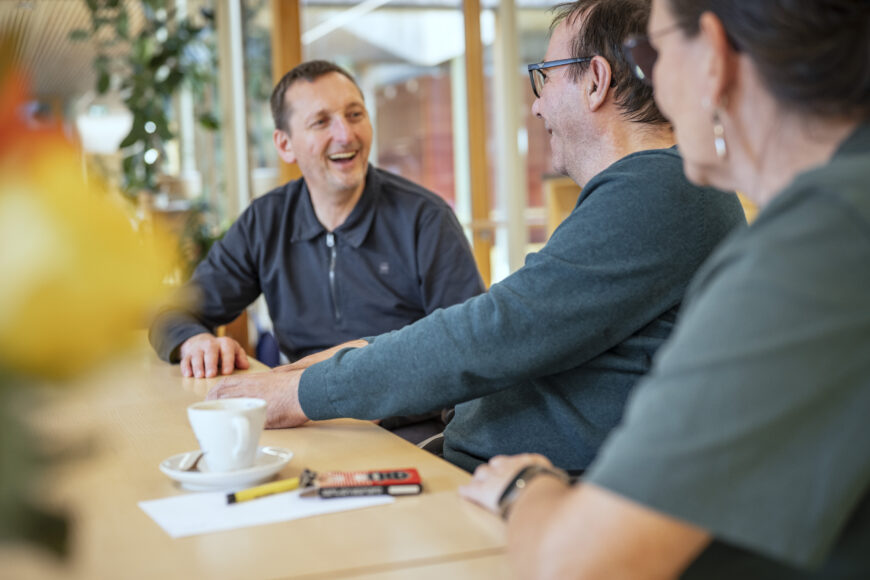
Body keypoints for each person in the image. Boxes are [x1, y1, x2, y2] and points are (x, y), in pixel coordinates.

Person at [205, 0, 746, 474]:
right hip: (478, 461)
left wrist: (300, 392)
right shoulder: (651, 189)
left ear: (596, 81)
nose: (536, 105)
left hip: (521, 488)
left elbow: (487, 334)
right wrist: (296, 376)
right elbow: (497, 324)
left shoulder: (659, 190)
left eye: (545, 76)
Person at [460, 0, 870, 578]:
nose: (649, 91)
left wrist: (526, 485)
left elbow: (575, 564)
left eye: (649, 56)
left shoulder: (817, 247)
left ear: (711, 57)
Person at [150, 60, 484, 440]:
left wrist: (375, 402)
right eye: (321, 122)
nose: (346, 134)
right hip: (304, 424)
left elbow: (470, 353)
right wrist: (195, 340)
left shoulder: (426, 218)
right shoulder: (266, 221)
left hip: (407, 430)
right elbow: (170, 312)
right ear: (285, 145)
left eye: (355, 114)